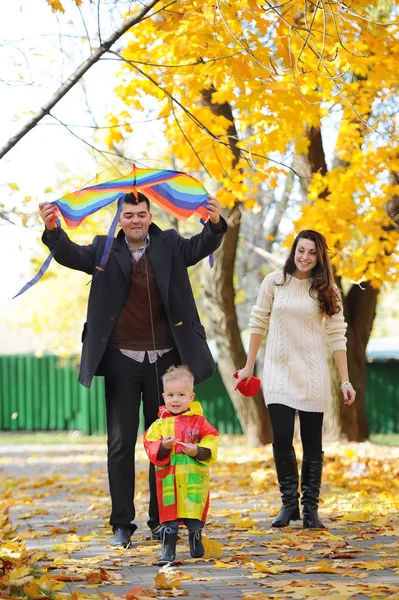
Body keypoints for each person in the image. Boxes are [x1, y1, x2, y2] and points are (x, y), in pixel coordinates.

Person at [39, 191, 227, 548]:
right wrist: (53, 230)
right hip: (122, 360)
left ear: (149, 215)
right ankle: (122, 523)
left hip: (165, 364)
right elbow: (70, 255)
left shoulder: (169, 243)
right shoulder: (104, 248)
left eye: (141, 214)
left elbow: (200, 246)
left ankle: (162, 520)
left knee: (165, 443)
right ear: (120, 218)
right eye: (129, 215)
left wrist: (215, 224)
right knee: (121, 443)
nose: (135, 220)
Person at [236, 230, 356, 529]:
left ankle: (310, 509)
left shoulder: (327, 291)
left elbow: (337, 336)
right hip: (278, 373)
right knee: (281, 440)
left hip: (313, 375)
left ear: (320, 257)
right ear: (293, 251)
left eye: (311, 252)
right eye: (300, 250)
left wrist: (345, 381)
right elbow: (258, 322)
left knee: (313, 444)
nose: (304, 257)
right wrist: (249, 366)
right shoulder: (275, 282)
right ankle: (288, 505)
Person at [143, 365, 219, 566]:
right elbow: (149, 443)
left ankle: (196, 537)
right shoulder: (159, 424)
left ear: (191, 397)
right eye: (170, 395)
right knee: (169, 516)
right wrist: (163, 446)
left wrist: (198, 451)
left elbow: (212, 439)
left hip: (193, 479)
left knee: (194, 513)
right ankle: (168, 550)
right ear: (163, 396)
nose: (175, 400)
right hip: (169, 478)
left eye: (181, 395)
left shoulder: (199, 422)